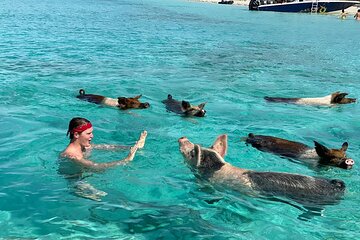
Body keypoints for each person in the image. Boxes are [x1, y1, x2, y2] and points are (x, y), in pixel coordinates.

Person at [59, 117, 147, 200]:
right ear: (76, 134)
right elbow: (96, 166)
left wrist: (132, 147)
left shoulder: (85, 147)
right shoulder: (72, 155)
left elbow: (108, 147)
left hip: (85, 176)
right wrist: (125, 160)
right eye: (88, 133)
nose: (92, 136)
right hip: (76, 184)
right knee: (108, 198)